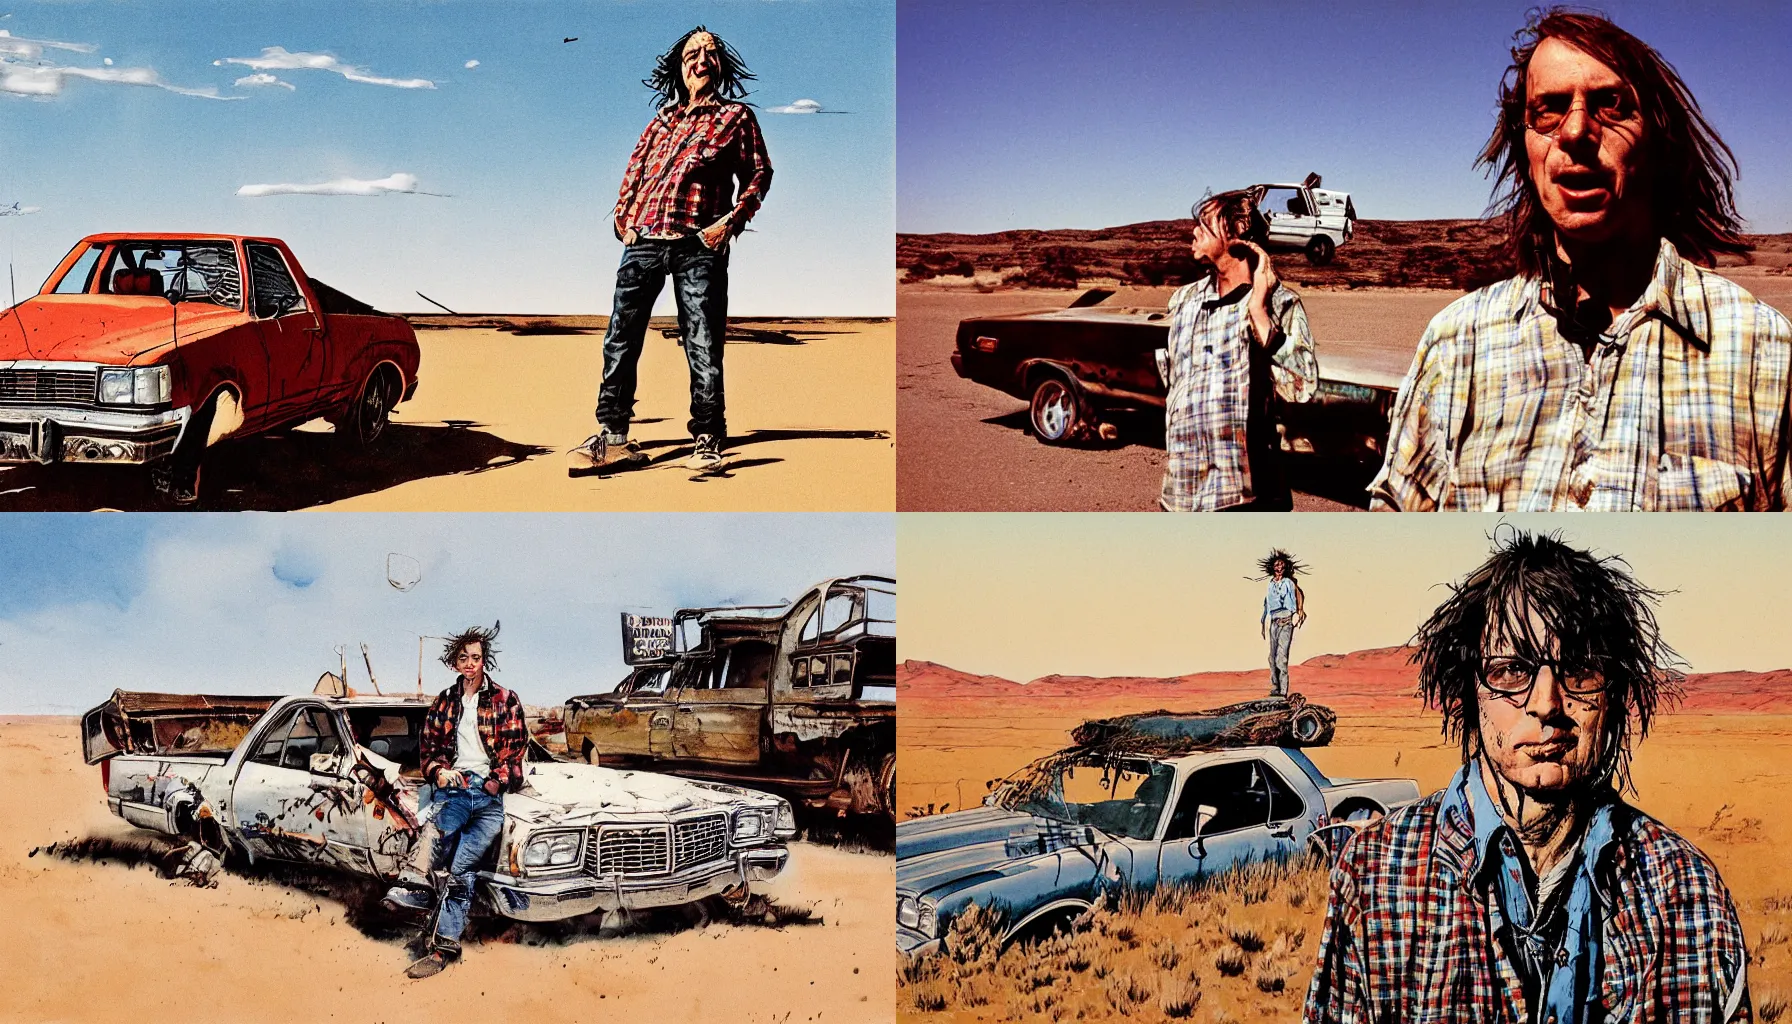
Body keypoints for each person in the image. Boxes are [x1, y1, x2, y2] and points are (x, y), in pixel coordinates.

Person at [1305, 530, 1750, 1023]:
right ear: (1467, 692)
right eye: (1512, 670)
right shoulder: (1375, 876)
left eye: (1580, 669)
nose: (1546, 703)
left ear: (1616, 694)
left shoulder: (1687, 894)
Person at [1370, 8, 1792, 511]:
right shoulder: (1456, 345)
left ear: (1657, 139)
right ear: (1524, 144)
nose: (1574, 132)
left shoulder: (1763, 353)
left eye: (1610, 104)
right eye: (1547, 109)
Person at [568, 25, 773, 477]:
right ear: (679, 68)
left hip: (698, 245)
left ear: (720, 66)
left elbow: (760, 174)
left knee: (702, 341)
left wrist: (729, 224)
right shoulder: (660, 121)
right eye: (692, 54)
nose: (701, 59)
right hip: (644, 243)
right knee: (620, 340)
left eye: (710, 53)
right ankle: (614, 437)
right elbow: (634, 171)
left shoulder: (736, 118)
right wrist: (624, 220)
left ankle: (707, 438)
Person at [1157, 189, 1318, 511]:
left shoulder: (1280, 304)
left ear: (1240, 230)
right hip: (1182, 489)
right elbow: (1174, 383)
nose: (1194, 231)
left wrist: (1258, 311)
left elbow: (1302, 388)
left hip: (1245, 494)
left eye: (1205, 224)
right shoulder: (1184, 301)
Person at [401, 624, 529, 980]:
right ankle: (411, 903)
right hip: (454, 792)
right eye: (463, 658)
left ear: (484, 660)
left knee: (460, 871)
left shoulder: (505, 699)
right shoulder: (444, 701)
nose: (470, 664)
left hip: (488, 799)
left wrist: (496, 782)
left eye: (476, 657)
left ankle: (441, 948)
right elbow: (429, 749)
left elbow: (516, 752)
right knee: (428, 847)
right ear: (455, 662)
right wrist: (439, 772)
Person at [1257, 550, 1307, 696]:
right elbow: (1267, 604)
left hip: (1286, 622)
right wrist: (1263, 623)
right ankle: (1276, 688)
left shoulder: (1289, 582)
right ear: (1273, 567)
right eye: (1276, 565)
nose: (1279, 567)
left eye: (1281, 565)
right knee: (1271, 658)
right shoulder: (1270, 584)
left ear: (1285, 567)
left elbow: (1299, 593)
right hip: (1273, 623)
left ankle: (1283, 691)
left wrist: (1300, 609)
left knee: (1281, 658)